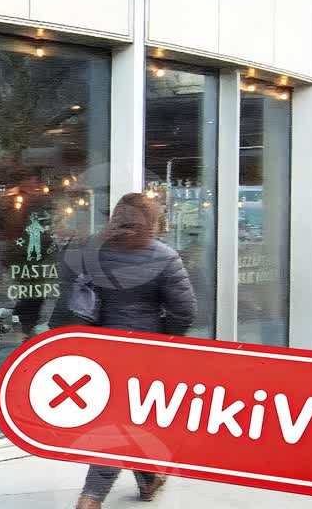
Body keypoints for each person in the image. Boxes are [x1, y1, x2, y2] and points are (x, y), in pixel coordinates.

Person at [60, 193, 196, 509]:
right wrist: (164, 336)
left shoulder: (91, 251)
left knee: (127, 415)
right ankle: (91, 497)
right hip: (142, 350)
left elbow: (69, 288)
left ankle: (148, 478)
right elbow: (184, 310)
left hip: (96, 347)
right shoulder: (165, 257)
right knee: (124, 418)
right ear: (152, 222)